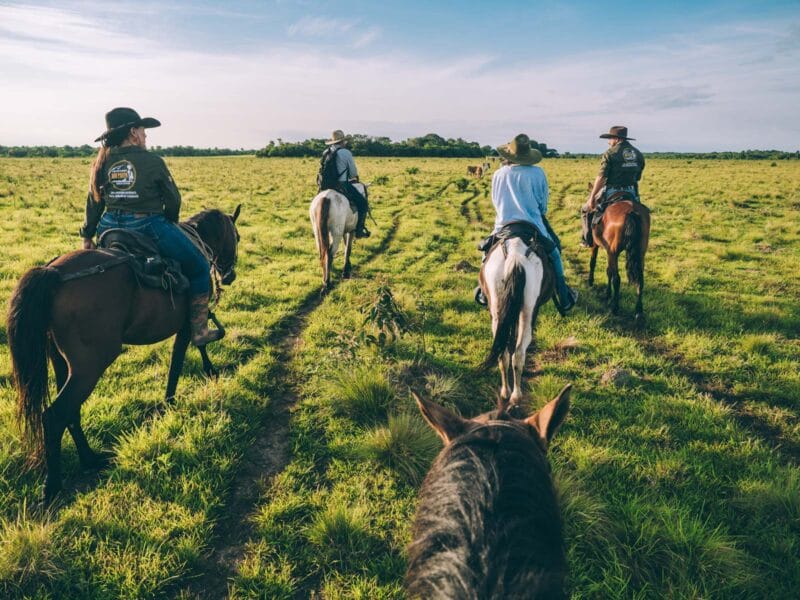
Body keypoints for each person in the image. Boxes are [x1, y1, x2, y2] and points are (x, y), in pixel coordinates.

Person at [80, 107, 222, 346]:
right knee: (198, 266)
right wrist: (170, 220)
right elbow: (173, 199)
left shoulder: (103, 161)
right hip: (148, 225)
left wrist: (87, 235)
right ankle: (199, 331)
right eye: (144, 130)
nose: (146, 136)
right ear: (133, 132)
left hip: (108, 227)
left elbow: (94, 201)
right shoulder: (152, 161)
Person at [475, 134, 578, 314]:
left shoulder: (499, 173)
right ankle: (563, 294)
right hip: (533, 224)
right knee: (554, 251)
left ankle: (483, 291)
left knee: (487, 251)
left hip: (504, 225)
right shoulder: (538, 173)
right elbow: (542, 205)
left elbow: (495, 201)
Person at [581, 126, 645, 247]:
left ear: (616, 138)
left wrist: (592, 198)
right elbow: (638, 177)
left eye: (610, 139)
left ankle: (587, 240)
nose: (609, 142)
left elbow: (602, 177)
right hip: (631, 191)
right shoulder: (638, 153)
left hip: (611, 190)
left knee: (585, 210)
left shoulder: (610, 153)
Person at [318, 130, 370, 238]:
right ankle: (359, 230)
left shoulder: (325, 152)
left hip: (325, 186)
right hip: (341, 185)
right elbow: (353, 174)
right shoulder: (345, 153)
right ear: (343, 141)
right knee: (363, 203)